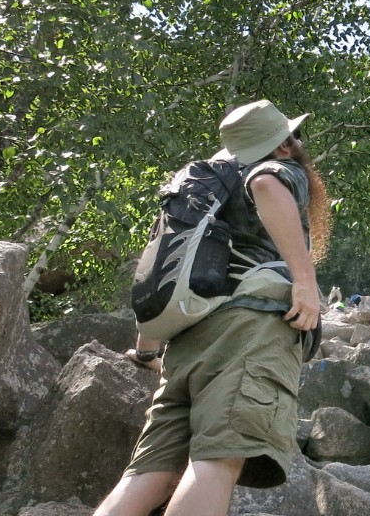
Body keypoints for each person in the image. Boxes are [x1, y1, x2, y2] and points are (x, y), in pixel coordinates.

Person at [95, 100, 333, 516]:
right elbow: (266, 185)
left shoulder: (204, 194)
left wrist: (149, 350)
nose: (298, 143)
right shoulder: (279, 170)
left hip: (188, 341)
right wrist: (305, 281)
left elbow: (159, 268)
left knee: (150, 475)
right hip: (251, 329)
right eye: (293, 136)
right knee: (219, 462)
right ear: (281, 147)